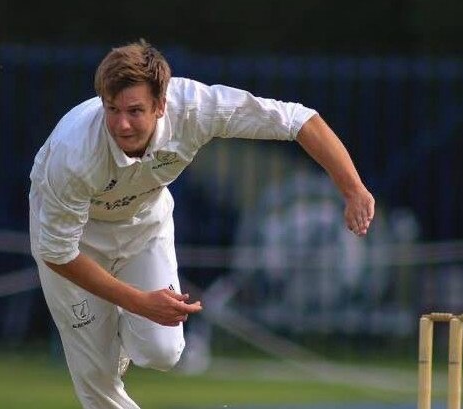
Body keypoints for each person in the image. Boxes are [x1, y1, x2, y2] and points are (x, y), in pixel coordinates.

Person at [28, 39, 375, 409]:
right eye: (112, 109)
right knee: (96, 381)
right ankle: (107, 341)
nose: (122, 124)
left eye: (135, 110)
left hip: (145, 223)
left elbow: (297, 119)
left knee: (163, 351)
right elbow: (57, 252)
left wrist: (352, 188)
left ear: (162, 105)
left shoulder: (195, 107)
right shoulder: (73, 153)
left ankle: (116, 336)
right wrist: (139, 302)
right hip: (77, 242)